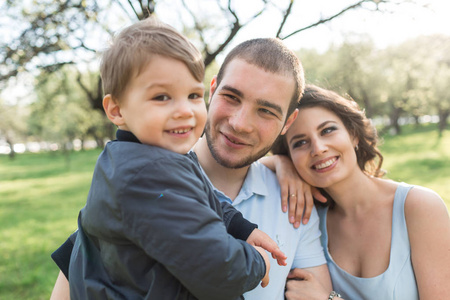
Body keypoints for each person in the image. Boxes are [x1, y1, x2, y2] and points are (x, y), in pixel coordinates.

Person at [51, 35, 332, 300]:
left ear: (288, 122)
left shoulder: (296, 205)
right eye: (231, 97)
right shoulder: (133, 185)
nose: (239, 123)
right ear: (212, 90)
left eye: (266, 111)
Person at [271, 84, 450, 299]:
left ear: (353, 134)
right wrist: (279, 163)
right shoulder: (309, 221)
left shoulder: (419, 206)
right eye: (300, 142)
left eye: (327, 130)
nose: (318, 149)